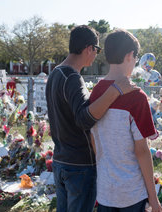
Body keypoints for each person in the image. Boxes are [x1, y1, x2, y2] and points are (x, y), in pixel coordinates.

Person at [46, 25, 136, 212]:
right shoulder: (71, 77)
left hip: (61, 161)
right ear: (89, 48)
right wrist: (115, 90)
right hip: (80, 165)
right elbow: (84, 119)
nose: (96, 55)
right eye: (97, 50)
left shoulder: (55, 73)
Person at [89, 29, 162, 212]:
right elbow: (142, 151)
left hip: (105, 191)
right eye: (136, 58)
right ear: (130, 55)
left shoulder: (95, 93)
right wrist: (153, 199)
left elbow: (93, 141)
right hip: (132, 193)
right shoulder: (137, 96)